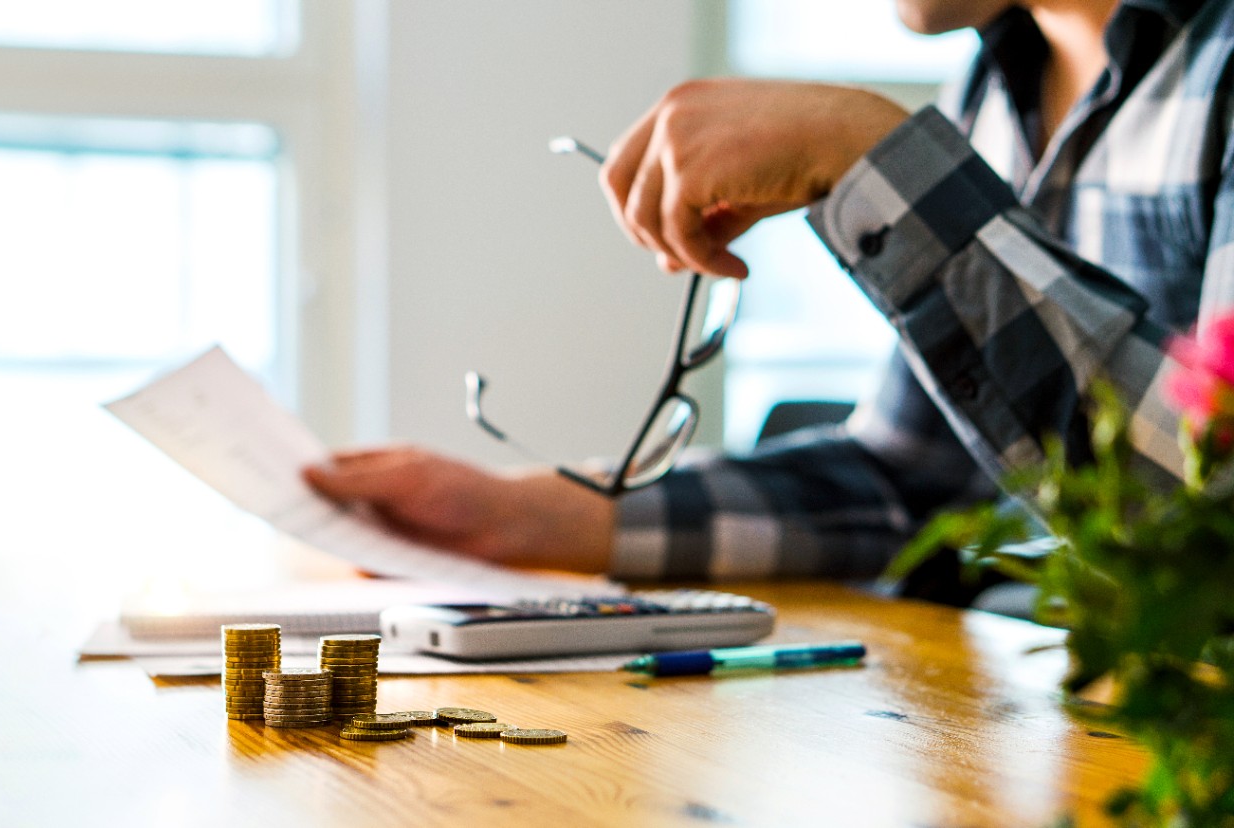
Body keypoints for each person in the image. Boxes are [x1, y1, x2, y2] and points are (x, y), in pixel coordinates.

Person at [305, 0, 1234, 591]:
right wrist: (526, 516)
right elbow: (909, 485)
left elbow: (1211, 522)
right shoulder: (995, 86)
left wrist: (873, 156)